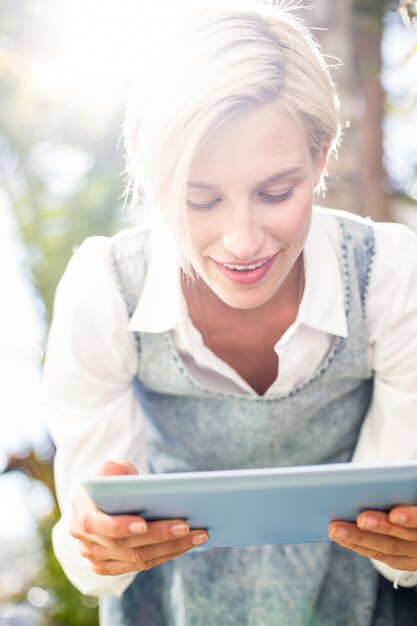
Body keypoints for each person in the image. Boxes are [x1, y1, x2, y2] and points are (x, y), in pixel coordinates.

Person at [41, 1, 417, 624]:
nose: (242, 242)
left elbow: (402, 536)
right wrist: (96, 542)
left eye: (276, 193)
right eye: (200, 199)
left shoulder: (391, 274)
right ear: (155, 179)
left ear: (322, 159)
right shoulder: (105, 289)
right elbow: (90, 555)